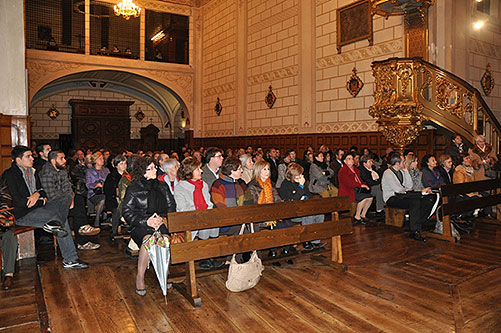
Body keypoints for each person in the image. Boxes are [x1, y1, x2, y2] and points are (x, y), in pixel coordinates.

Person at [2, 146, 88, 268]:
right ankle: (70, 259)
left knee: (66, 197)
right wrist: (40, 201)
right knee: (61, 221)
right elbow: (18, 201)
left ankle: (53, 224)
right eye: (28, 156)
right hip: (22, 214)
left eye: (31, 155)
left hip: (38, 208)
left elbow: (42, 191)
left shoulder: (33, 172)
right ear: (18, 160)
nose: (32, 158)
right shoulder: (10, 175)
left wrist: (37, 195)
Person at [122, 157, 176, 296]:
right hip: (140, 224)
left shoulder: (162, 186)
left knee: (164, 239)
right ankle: (140, 277)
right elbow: (127, 213)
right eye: (150, 168)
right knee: (148, 240)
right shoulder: (133, 189)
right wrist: (146, 221)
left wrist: (164, 219)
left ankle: (163, 273)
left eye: (155, 167)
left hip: (161, 222)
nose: (154, 170)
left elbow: (171, 206)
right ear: (142, 172)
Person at [40, 150, 100, 250]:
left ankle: (83, 229)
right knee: (78, 211)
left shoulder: (62, 170)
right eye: (61, 158)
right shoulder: (46, 173)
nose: (65, 161)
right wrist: (67, 200)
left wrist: (70, 198)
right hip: (52, 204)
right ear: (53, 161)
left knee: (78, 199)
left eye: (64, 158)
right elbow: (52, 194)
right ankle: (82, 239)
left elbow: (68, 187)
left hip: (65, 200)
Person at [175, 157, 223, 270]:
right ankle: (204, 258)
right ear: (189, 172)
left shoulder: (204, 185)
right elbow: (182, 209)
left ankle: (211, 257)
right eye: (197, 169)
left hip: (204, 217)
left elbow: (209, 204)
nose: (201, 171)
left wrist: (207, 214)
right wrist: (200, 215)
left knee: (214, 223)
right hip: (189, 219)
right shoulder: (180, 187)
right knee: (206, 225)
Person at [247, 160, 293, 266]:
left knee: (288, 224)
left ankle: (285, 251)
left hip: (273, 214)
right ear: (258, 171)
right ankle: (273, 253)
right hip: (260, 217)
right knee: (277, 226)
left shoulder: (270, 185)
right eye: (264, 169)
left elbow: (277, 199)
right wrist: (269, 214)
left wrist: (283, 206)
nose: (267, 172)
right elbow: (254, 205)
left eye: (268, 169)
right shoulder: (252, 186)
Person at [382, 152, 433, 242]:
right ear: (397, 163)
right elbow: (397, 189)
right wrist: (409, 190)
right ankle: (415, 231)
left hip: (402, 195)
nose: (405, 163)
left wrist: (405, 171)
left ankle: (419, 223)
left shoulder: (402, 171)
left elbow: (409, 186)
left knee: (428, 199)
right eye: (403, 161)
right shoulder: (388, 173)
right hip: (392, 198)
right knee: (415, 201)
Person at [279, 163, 325, 251]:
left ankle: (316, 241)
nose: (301, 176)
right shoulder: (286, 185)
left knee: (319, 214)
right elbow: (293, 199)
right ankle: (306, 241)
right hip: (292, 213)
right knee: (308, 215)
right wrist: (301, 186)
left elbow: (308, 196)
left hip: (304, 210)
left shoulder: (301, 183)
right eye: (299, 175)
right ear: (292, 176)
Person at [211, 157, 253, 236]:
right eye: (239, 169)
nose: (242, 171)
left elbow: (249, 201)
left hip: (243, 219)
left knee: (255, 228)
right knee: (246, 233)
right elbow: (220, 207)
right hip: (226, 223)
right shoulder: (218, 184)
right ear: (231, 171)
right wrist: (238, 218)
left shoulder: (241, 183)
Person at [338, 152, 373, 224]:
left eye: (352, 159)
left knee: (370, 197)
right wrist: (361, 185)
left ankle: (363, 215)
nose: (351, 160)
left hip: (355, 190)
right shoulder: (343, 170)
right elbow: (349, 183)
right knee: (363, 198)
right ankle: (357, 217)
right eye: (349, 159)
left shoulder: (355, 169)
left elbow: (360, 180)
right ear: (344, 161)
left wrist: (364, 185)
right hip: (348, 191)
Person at [104, 155, 128, 240]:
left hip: (126, 198)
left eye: (125, 163)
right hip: (114, 199)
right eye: (121, 164)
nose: (124, 166)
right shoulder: (111, 176)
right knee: (116, 210)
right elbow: (107, 190)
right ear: (116, 165)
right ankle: (114, 231)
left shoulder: (128, 175)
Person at [0, 179, 17, 290]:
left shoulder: (1, 184)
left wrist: (2, 215)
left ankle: (8, 275)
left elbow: (5, 202)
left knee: (9, 237)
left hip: (1, 222)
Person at [86, 151, 110, 227]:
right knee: (103, 199)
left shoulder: (106, 170)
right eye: (100, 159)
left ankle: (103, 217)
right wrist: (96, 185)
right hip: (93, 194)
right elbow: (87, 184)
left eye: (103, 159)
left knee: (105, 198)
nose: (102, 160)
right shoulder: (89, 171)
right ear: (95, 160)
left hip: (105, 192)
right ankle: (97, 220)